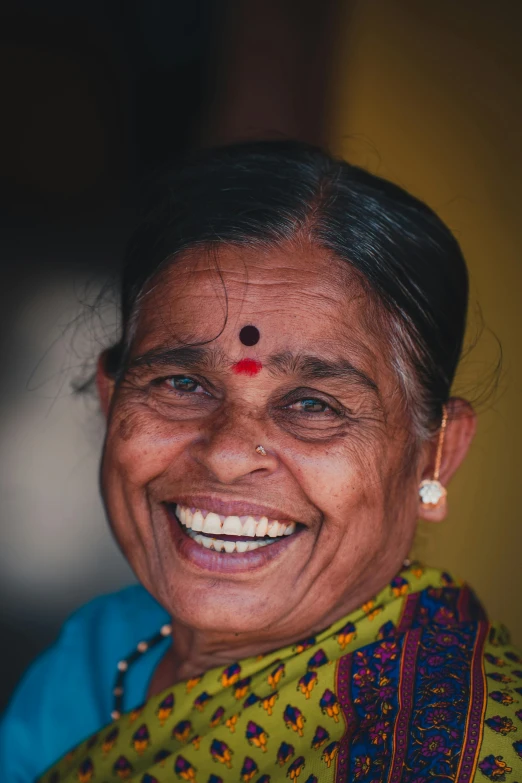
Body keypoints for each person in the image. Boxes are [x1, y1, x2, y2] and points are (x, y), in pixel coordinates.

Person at [1, 140, 520, 783]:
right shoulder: (100, 648)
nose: (224, 455)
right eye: (182, 385)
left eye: (313, 403)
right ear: (111, 401)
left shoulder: (450, 758)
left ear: (436, 451)